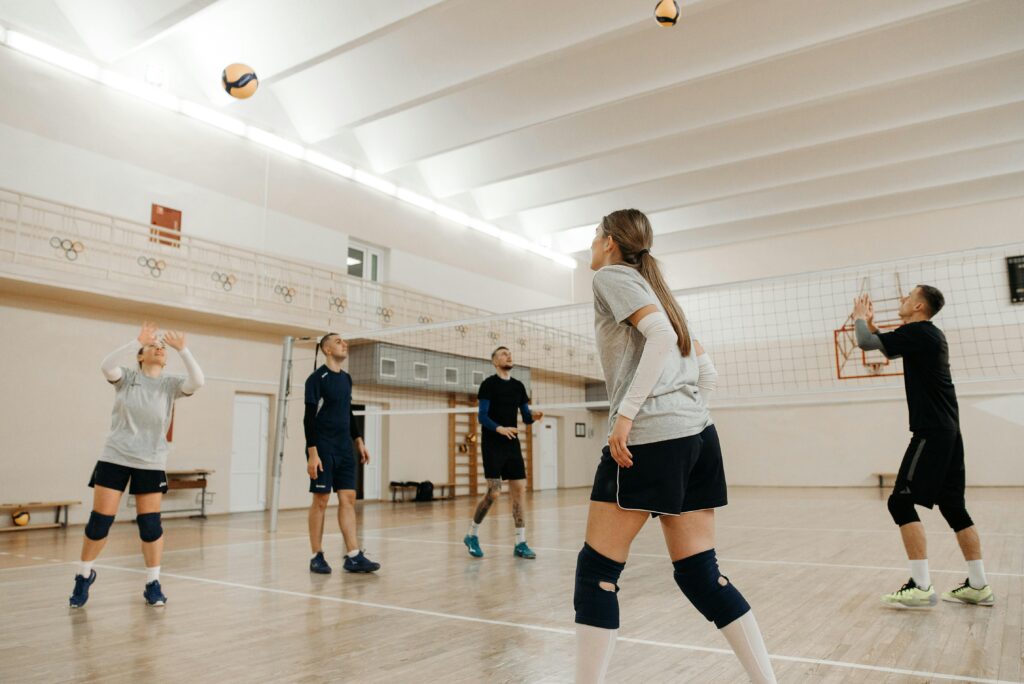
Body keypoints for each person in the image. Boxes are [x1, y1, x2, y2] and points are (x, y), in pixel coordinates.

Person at [574, 209, 776, 683]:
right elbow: (708, 373)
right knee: (700, 575)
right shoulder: (660, 294)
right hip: (699, 437)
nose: (591, 246)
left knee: (596, 574)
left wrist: (627, 414)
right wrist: (687, 419)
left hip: (651, 438)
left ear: (608, 242)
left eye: (593, 236)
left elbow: (660, 337)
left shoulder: (611, 278)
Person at [854, 288, 993, 608]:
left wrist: (861, 319)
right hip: (949, 432)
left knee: (900, 502)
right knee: (953, 506)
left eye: (908, 296)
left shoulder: (918, 332)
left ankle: (920, 585)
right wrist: (873, 327)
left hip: (931, 432)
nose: (901, 298)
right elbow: (886, 349)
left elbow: (864, 343)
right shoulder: (926, 335)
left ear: (918, 306)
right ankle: (979, 584)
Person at [69, 322, 204, 608]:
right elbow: (106, 366)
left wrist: (184, 350)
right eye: (152, 346)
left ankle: (152, 583)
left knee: (150, 525)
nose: (159, 349)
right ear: (141, 356)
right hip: (115, 456)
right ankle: (83, 575)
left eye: (162, 348)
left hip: (151, 461)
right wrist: (135, 341)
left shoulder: (170, 385)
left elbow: (198, 382)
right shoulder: (127, 377)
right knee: (99, 523)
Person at [304, 333, 380, 574]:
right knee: (321, 500)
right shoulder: (316, 379)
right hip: (323, 447)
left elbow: (347, 412)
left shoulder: (346, 379)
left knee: (348, 498)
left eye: (344, 342)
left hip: (344, 447)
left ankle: (354, 555)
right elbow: (308, 419)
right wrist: (312, 454)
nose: (344, 344)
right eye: (338, 342)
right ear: (326, 349)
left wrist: (358, 441)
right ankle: (316, 555)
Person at [464, 346, 543, 559]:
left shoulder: (518, 386)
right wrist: (499, 428)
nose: (508, 355)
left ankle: (520, 542)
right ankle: (471, 534)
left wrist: (534, 416)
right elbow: (482, 417)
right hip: (493, 443)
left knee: (519, 492)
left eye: (509, 353)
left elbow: (525, 417)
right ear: (494, 361)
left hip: (512, 444)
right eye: (502, 353)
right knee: (494, 492)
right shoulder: (488, 385)